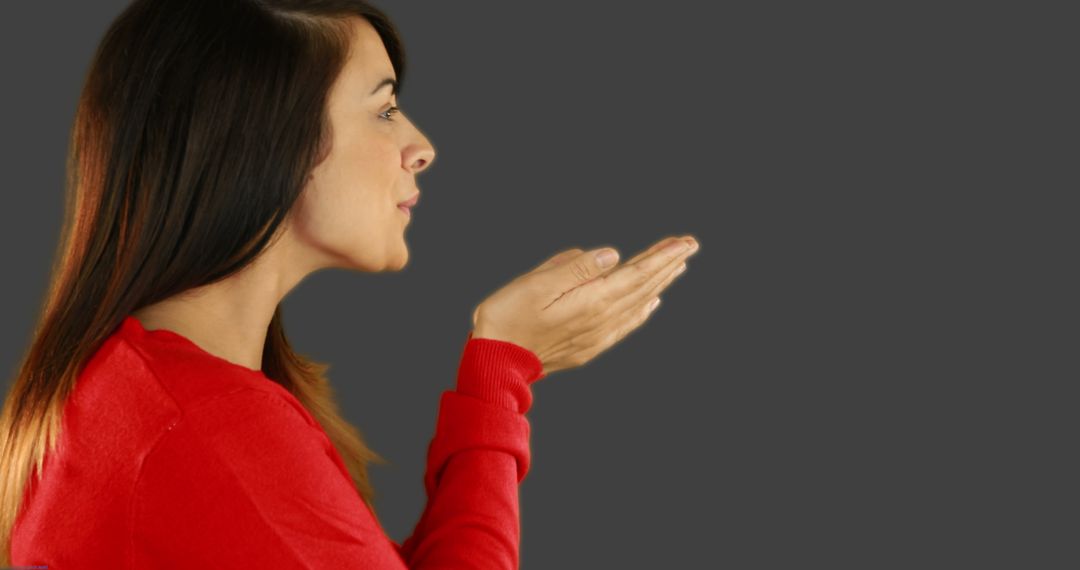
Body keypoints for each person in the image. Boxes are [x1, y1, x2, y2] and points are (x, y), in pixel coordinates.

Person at [0, 0, 700, 567]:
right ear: (267, 140)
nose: (420, 146)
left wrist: (504, 369)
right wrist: (502, 372)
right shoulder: (208, 429)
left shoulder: (149, 390)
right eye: (384, 107)